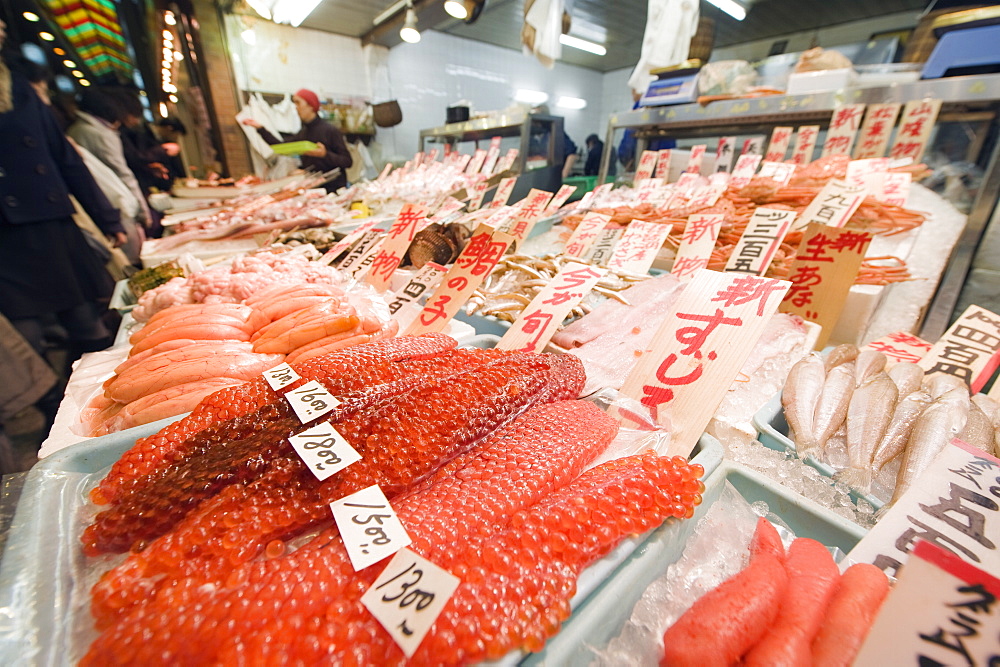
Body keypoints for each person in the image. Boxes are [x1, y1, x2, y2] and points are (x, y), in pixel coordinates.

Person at [0, 20, 126, 366]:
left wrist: (107, 218)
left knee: (88, 324)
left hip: (49, 225)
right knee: (25, 341)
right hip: (5, 240)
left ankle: (92, 400)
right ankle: (47, 411)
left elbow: (64, 159)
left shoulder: (20, 87)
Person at [241, 89, 352, 192]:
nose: (295, 107)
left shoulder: (330, 130)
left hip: (335, 190)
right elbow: (280, 146)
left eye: (298, 103)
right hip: (313, 189)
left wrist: (324, 154)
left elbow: (347, 161)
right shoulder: (303, 133)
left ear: (311, 106)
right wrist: (260, 129)